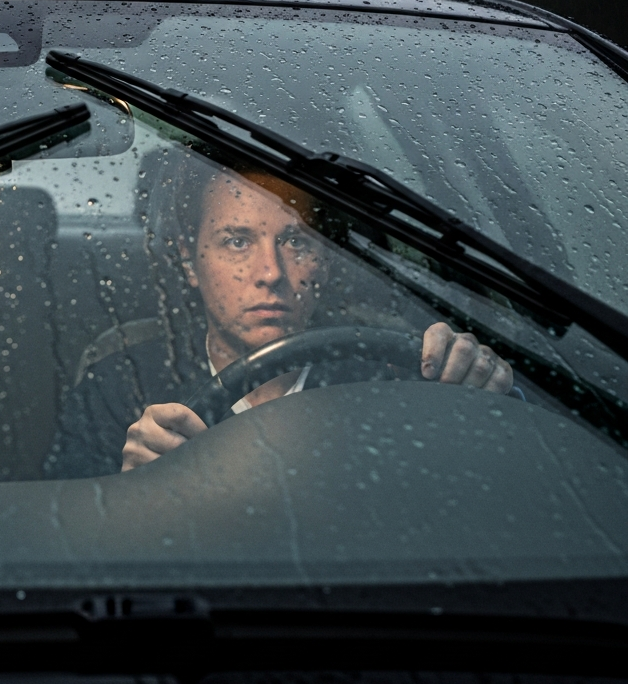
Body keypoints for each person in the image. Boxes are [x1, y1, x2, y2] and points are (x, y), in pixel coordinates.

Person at [46, 158, 514, 478]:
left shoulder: (392, 379)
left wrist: (480, 394)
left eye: (296, 242)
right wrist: (129, 489)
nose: (270, 273)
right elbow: (61, 540)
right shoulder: (117, 390)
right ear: (190, 262)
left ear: (326, 262)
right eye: (237, 242)